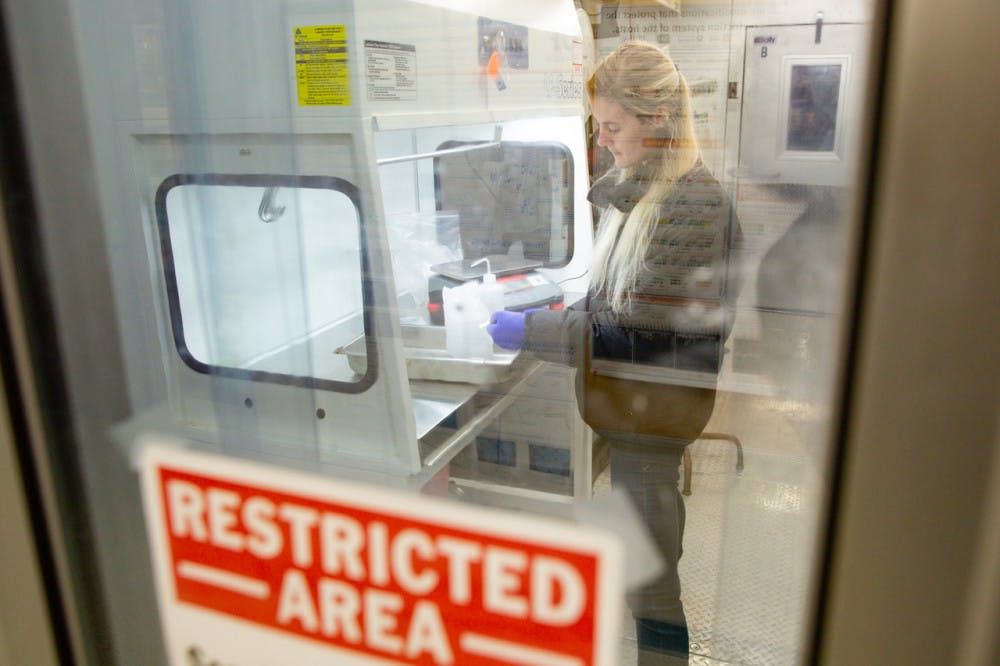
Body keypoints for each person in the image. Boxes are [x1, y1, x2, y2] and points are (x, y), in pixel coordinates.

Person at [487, 41, 743, 664]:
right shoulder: (646, 194)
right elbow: (611, 303)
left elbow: (634, 341)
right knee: (641, 577)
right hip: (637, 426)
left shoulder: (688, 210)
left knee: (652, 593)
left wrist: (535, 333)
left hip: (652, 429)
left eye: (613, 126)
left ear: (656, 120)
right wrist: (550, 315)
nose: (603, 141)